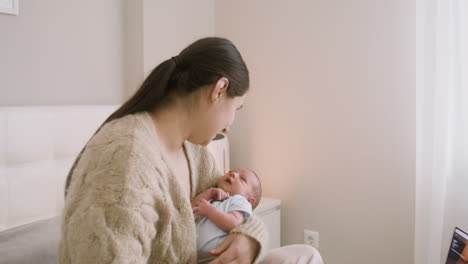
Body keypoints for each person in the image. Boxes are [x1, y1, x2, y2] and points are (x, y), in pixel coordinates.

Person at [58, 37, 324, 264]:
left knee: (306, 255)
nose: (229, 126)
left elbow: (239, 209)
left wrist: (249, 238)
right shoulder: (126, 159)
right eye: (236, 110)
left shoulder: (193, 152)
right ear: (219, 90)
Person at [193, 168, 262, 263]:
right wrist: (209, 193)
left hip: (219, 256)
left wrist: (210, 211)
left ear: (250, 200)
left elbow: (234, 224)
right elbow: (191, 208)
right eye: (230, 172)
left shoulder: (239, 200)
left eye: (242, 179)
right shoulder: (214, 198)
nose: (233, 174)